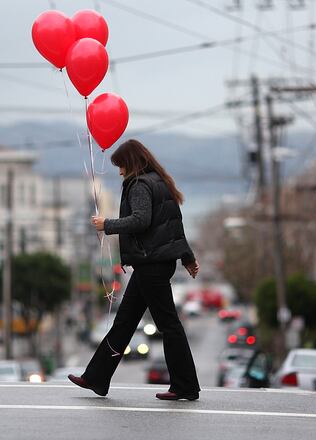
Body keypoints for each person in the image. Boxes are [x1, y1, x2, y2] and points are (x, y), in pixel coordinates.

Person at [68, 139, 201, 401]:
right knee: (125, 322)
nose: (119, 172)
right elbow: (173, 226)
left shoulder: (140, 184)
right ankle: (96, 378)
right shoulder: (160, 181)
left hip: (151, 264)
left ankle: (185, 386)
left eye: (121, 166)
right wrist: (187, 257)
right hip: (153, 264)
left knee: (169, 325)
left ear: (131, 163)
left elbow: (141, 221)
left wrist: (107, 224)